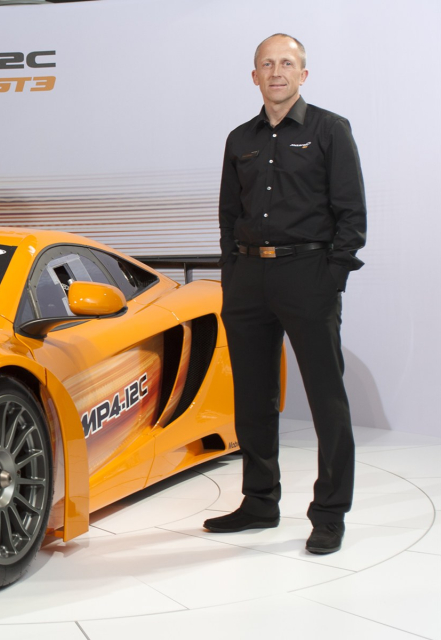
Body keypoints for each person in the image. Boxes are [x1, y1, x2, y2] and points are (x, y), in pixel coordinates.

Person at [203, 34, 366, 555]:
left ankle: (330, 513)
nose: (277, 72)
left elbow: (351, 213)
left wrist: (331, 277)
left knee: (326, 399)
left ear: (303, 74)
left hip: (308, 275)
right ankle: (259, 502)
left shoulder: (330, 130)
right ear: (255, 76)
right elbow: (228, 214)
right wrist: (233, 273)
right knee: (253, 397)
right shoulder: (239, 139)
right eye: (267, 64)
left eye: (287, 63)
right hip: (249, 279)